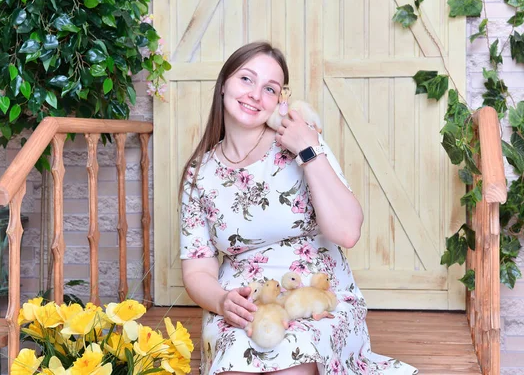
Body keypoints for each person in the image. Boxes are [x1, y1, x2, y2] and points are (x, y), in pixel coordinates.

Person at [179, 41, 418, 375]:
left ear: (281, 101)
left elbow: (347, 232)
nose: (254, 94)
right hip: (246, 304)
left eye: (269, 88)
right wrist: (222, 302)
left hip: (317, 295)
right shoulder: (199, 174)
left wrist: (308, 150)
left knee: (294, 362)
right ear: (224, 85)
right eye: (246, 79)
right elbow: (197, 271)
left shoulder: (302, 144)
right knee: (236, 362)